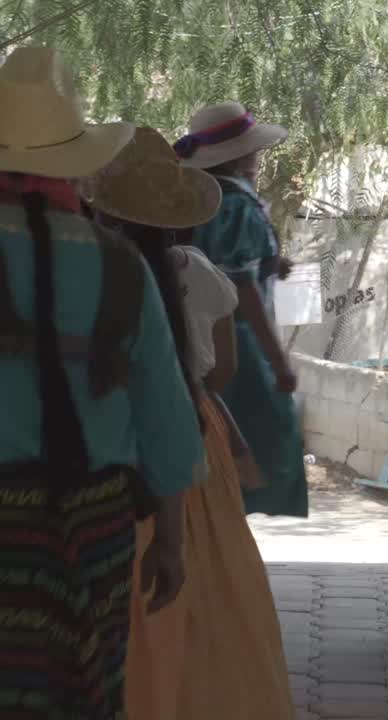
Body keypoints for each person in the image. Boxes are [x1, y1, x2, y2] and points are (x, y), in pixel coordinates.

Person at [0, 47, 203, 718]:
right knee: (81, 689)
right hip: (91, 525)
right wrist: (171, 541)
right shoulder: (121, 266)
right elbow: (165, 419)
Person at [84, 127, 293, 719]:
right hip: (196, 439)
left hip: (111, 446)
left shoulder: (90, 268)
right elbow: (222, 365)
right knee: (213, 577)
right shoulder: (198, 270)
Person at [178, 101, 308, 517]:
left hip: (201, 333)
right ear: (237, 154)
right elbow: (245, 290)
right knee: (258, 442)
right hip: (240, 342)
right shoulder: (236, 205)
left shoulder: (203, 199)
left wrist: (273, 264)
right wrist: (279, 361)